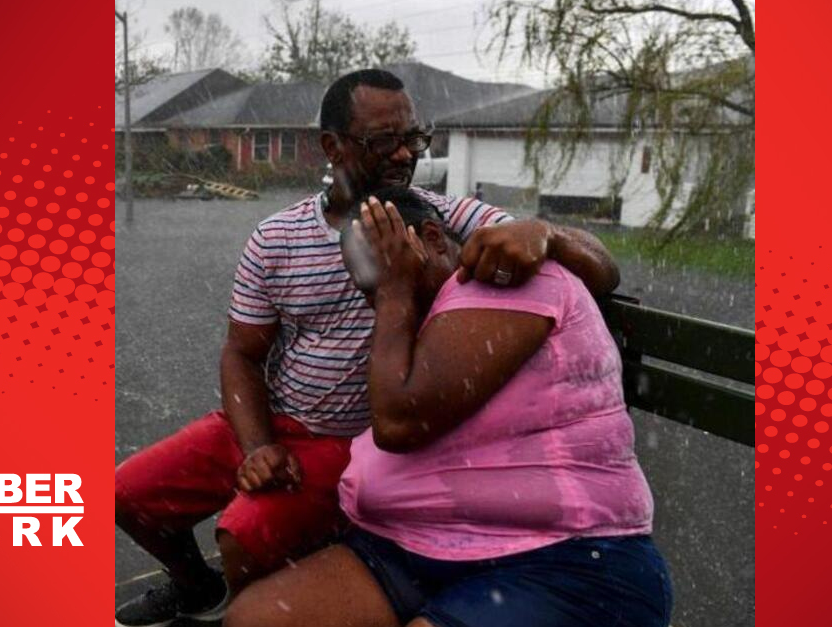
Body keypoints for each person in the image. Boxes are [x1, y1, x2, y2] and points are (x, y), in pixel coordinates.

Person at [114, 68, 621, 627]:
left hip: (347, 440)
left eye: (414, 138)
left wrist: (546, 232)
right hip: (270, 420)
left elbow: (602, 267)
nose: (405, 154)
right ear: (332, 146)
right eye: (384, 141)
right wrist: (257, 444)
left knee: (244, 535)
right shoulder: (277, 238)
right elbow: (242, 354)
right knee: (126, 493)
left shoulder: (439, 218)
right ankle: (197, 588)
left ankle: (262, 597)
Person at [223, 187, 670, 627]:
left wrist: (394, 290)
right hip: (409, 547)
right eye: (368, 291)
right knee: (254, 619)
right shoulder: (424, 315)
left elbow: (400, 420)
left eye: (383, 275)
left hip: (558, 556)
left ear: (433, 238)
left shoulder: (504, 280)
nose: (375, 303)